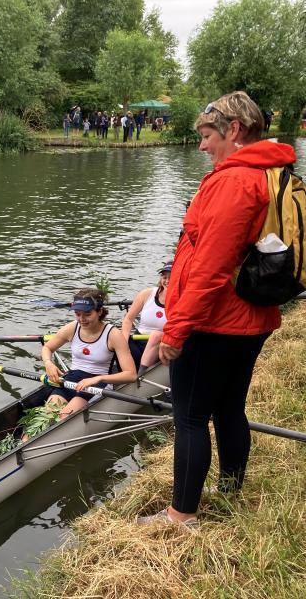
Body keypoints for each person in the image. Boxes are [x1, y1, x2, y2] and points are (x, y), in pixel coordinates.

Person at [139, 91, 296, 527]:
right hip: (251, 317)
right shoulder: (272, 173)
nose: (203, 146)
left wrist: (175, 332)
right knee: (229, 408)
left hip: (217, 321)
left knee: (190, 416)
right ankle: (229, 495)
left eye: (208, 135)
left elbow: (210, 267)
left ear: (235, 130)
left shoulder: (235, 181)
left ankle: (181, 516)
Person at [41, 288, 137, 420]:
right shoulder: (72, 327)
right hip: (72, 378)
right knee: (46, 416)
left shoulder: (113, 334)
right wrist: (48, 363)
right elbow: (47, 348)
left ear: (100, 311)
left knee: (63, 417)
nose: (82, 319)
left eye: (87, 314)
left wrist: (98, 379)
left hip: (99, 383)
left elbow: (131, 374)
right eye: (77, 314)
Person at [122, 261, 172, 374]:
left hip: (163, 345)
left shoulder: (182, 299)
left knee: (155, 335)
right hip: (139, 339)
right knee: (115, 342)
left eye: (171, 277)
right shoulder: (147, 294)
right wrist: (123, 342)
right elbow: (128, 319)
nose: (167, 281)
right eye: (164, 277)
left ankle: (140, 376)